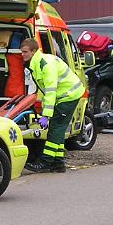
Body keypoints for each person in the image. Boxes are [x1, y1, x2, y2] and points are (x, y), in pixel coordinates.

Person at [21, 38, 84, 173]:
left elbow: (50, 91)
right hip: (66, 95)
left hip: (68, 96)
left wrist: (46, 115)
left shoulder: (45, 65)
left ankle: (46, 162)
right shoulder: (37, 63)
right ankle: (58, 163)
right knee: (58, 129)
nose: (22, 54)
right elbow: (44, 91)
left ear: (33, 51)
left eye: (25, 52)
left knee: (55, 129)